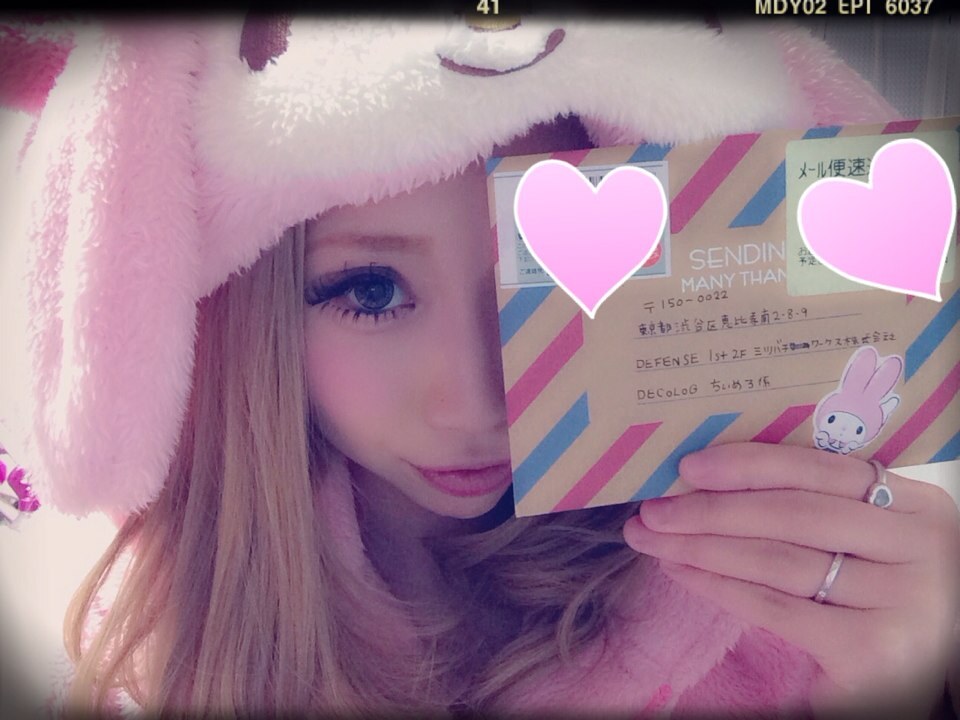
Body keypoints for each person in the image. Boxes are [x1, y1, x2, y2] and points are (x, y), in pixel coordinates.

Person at [0, 15, 957, 719]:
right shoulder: (146, 668)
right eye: (370, 290)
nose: (479, 402)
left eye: (535, 285)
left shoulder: (784, 623)